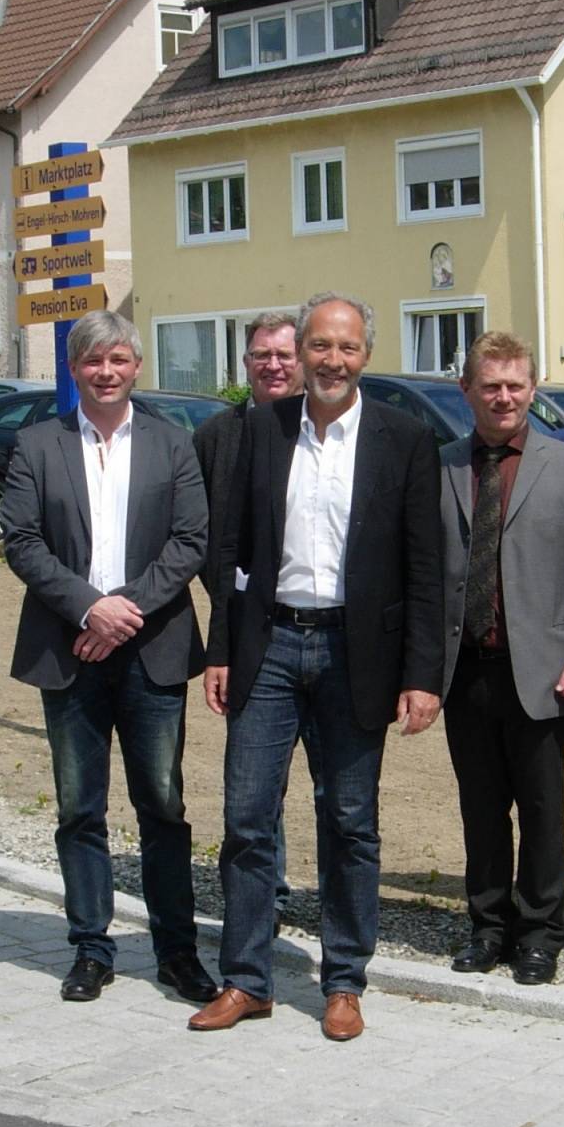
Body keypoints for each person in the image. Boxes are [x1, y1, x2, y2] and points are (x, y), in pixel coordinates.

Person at [190, 293, 443, 1042]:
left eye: (348, 348)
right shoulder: (261, 432)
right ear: (299, 352)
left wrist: (422, 672)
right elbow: (229, 552)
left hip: (354, 655)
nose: (333, 361)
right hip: (267, 648)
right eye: (320, 347)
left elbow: (426, 569)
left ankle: (343, 982)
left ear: (366, 354)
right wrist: (222, 650)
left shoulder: (405, 439)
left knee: (350, 819)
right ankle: (247, 979)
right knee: (245, 818)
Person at [1, 312, 217, 1006]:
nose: (106, 371)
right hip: (70, 649)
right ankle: (91, 948)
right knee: (78, 808)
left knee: (162, 802)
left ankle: (177, 953)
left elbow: (190, 540)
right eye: (93, 360)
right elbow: (23, 541)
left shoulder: (171, 443)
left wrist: (123, 609)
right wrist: (89, 608)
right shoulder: (37, 444)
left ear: (137, 366)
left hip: (151, 649)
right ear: (75, 368)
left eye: (119, 359)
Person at [437, 332, 564, 985]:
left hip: (542, 671)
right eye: (491, 386)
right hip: (467, 671)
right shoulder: (445, 465)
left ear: (532, 388)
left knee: (541, 808)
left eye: (515, 385)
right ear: (468, 391)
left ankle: (540, 931)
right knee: (481, 807)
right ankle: (487, 925)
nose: (504, 397)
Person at [192, 311, 304, 923]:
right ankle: (267, 891)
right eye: (262, 355)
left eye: (285, 354)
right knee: (254, 777)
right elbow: (206, 539)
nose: (274, 365)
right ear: (246, 365)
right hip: (240, 624)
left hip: (317, 623)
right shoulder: (215, 437)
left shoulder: (323, 430)